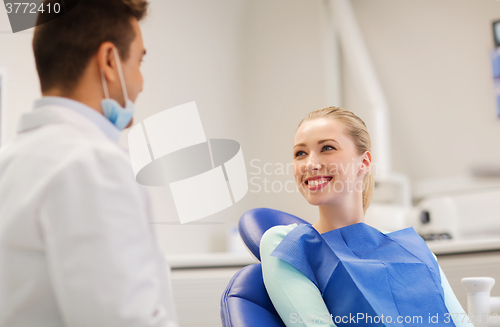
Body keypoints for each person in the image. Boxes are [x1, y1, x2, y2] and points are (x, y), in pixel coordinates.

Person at [0, 1, 178, 326]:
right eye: (138, 61)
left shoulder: (11, 159)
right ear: (109, 60)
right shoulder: (93, 164)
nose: (141, 82)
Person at [260, 107, 472, 327]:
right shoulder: (288, 244)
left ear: (364, 162)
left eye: (327, 148)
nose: (310, 163)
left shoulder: (414, 248)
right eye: (300, 153)